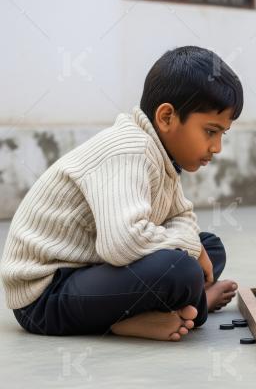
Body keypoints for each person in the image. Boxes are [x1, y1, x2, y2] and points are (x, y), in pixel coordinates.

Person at [1, 46, 242, 341]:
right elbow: (123, 244)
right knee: (182, 268)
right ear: (166, 117)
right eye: (210, 131)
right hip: (46, 295)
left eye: (222, 134)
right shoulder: (129, 150)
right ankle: (178, 307)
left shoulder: (163, 155)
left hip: (94, 268)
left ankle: (175, 302)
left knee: (210, 246)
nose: (216, 147)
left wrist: (194, 246)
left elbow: (181, 215)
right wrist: (190, 249)